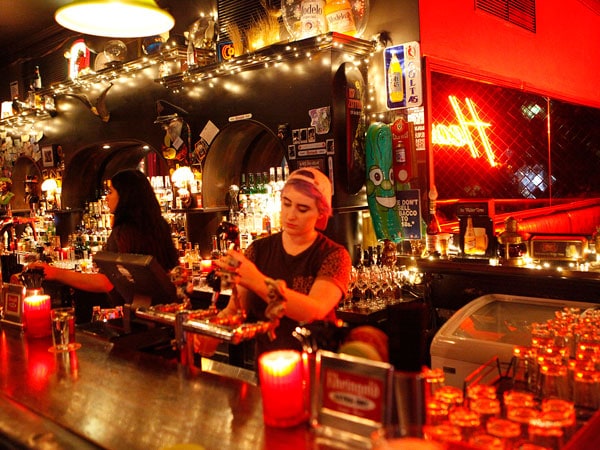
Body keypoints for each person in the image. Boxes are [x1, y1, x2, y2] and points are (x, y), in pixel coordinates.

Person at [213, 167, 352, 357]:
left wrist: (257, 280)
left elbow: (314, 311)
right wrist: (208, 331)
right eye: (286, 204)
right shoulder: (258, 250)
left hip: (315, 365)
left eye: (302, 208)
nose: (291, 215)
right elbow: (235, 311)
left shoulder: (334, 255)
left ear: (321, 213)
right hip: (270, 365)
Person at [29, 169, 179, 303]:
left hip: (134, 312)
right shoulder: (160, 225)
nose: (107, 197)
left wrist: (54, 272)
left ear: (125, 195)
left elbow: (106, 282)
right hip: (163, 307)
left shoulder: (122, 232)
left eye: (111, 192)